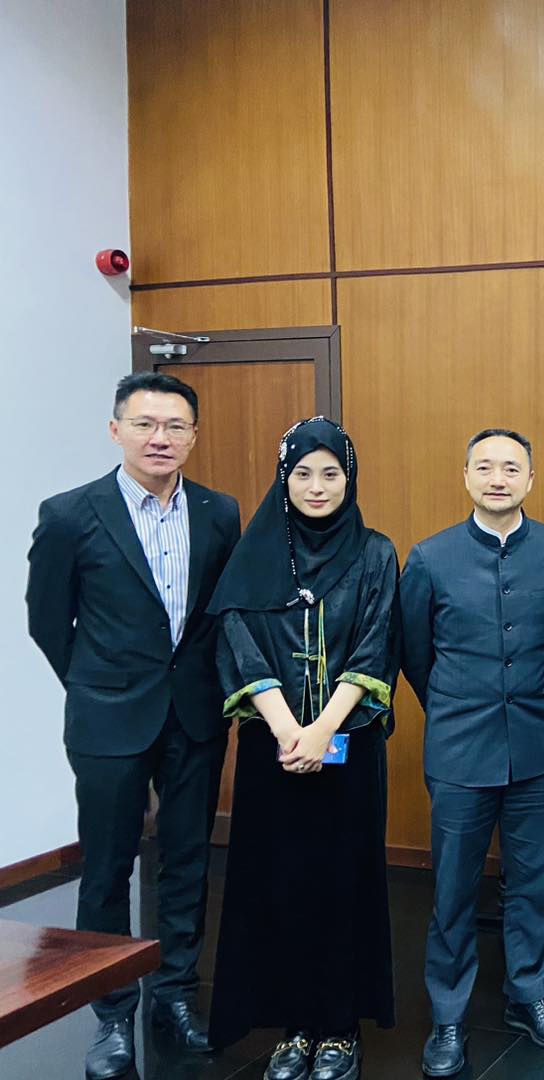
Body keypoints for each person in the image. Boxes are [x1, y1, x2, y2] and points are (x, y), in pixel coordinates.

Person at [26, 372, 240, 1080]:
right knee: (107, 866)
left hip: (195, 714)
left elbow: (219, 615)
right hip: (108, 717)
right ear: (116, 429)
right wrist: (97, 684)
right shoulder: (69, 514)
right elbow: (47, 621)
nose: (160, 438)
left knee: (187, 861)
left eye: (175, 426)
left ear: (193, 436)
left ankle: (175, 994)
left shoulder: (219, 512)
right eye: (145, 424)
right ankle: (111, 1011)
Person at [205, 418, 399, 1080]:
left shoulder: (375, 553)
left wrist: (323, 731)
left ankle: (339, 1028)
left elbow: (376, 643)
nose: (317, 486)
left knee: (344, 885)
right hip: (274, 749)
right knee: (281, 884)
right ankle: (295, 1028)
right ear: (283, 478)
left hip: (349, 747)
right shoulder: (255, 552)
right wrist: (290, 729)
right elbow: (238, 639)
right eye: (303, 473)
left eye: (331, 473)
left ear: (350, 478)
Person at [401, 428, 544, 1074]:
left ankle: (528, 995)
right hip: (459, 748)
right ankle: (447, 1015)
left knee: (533, 884)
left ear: (530, 479)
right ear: (466, 477)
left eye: (511, 468)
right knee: (453, 888)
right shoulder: (430, 558)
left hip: (536, 745)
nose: (498, 478)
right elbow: (415, 653)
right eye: (485, 467)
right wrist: (458, 704)